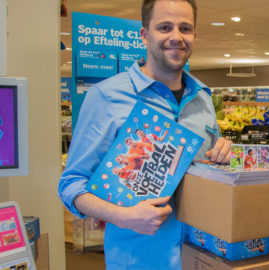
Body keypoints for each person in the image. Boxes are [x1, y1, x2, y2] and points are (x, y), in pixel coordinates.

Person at [58, 0, 231, 269]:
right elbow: (70, 184)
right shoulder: (106, 97)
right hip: (138, 260)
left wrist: (222, 157)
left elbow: (207, 170)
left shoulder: (203, 97)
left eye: (185, 28)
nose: (176, 37)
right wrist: (122, 216)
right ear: (144, 35)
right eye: (165, 27)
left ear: (194, 36)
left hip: (202, 257)